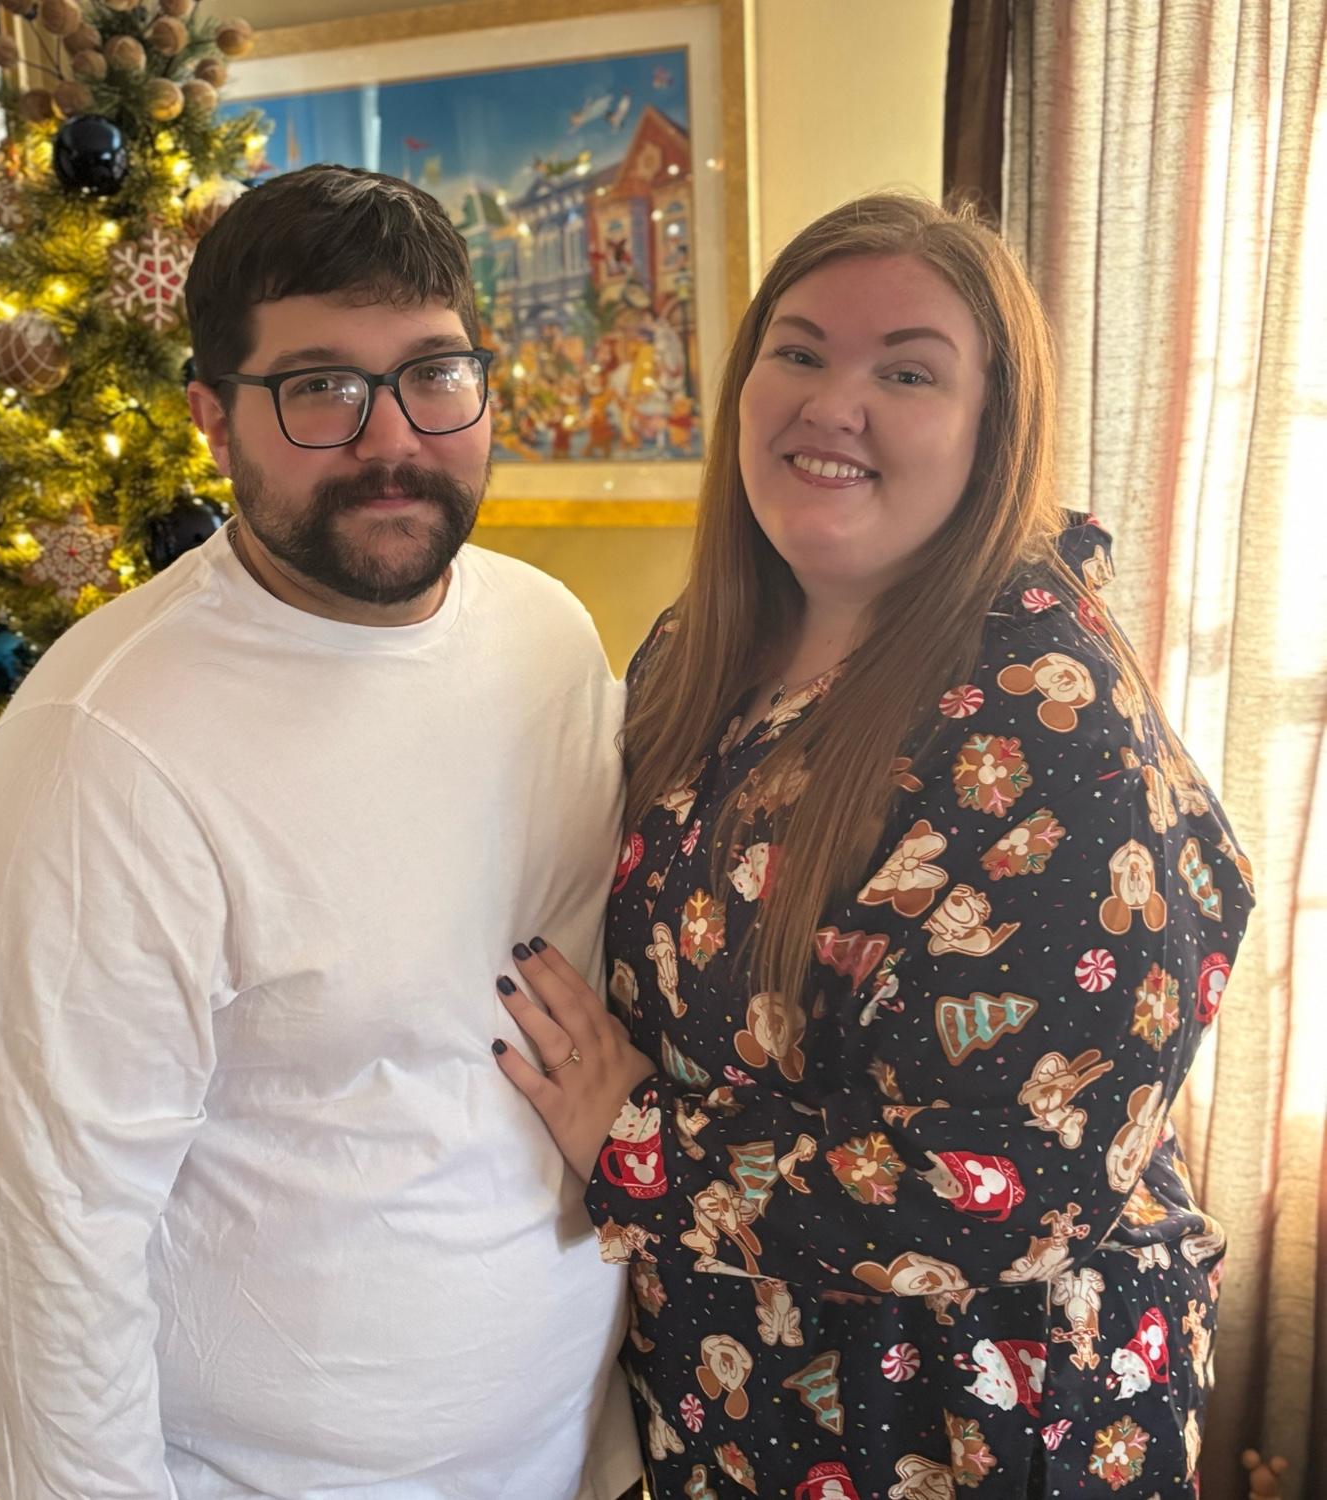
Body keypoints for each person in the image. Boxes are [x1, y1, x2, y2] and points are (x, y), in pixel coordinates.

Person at [494, 194, 1253, 1498]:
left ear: (990, 430)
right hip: (738, 1391)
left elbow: (1010, 1177)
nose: (833, 403)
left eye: (907, 372)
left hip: (971, 1424)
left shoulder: (1050, 727)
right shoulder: (700, 649)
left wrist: (635, 1138)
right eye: (798, 351)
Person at [0, 163, 640, 1500]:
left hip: (571, 1449)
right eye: (322, 388)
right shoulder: (102, 752)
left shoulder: (547, 638)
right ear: (212, 420)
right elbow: (54, 1249)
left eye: (435, 374)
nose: (393, 439)